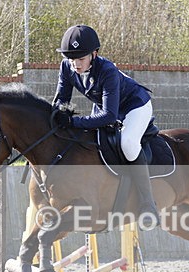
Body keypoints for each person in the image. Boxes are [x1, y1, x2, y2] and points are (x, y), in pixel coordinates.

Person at [52, 24, 159, 227]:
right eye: (71, 59)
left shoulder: (107, 70)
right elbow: (61, 101)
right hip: (104, 106)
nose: (75, 64)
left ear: (94, 54)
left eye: (80, 59)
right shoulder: (66, 67)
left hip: (134, 106)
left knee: (128, 143)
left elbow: (109, 116)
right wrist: (57, 116)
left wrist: (73, 121)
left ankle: (148, 204)